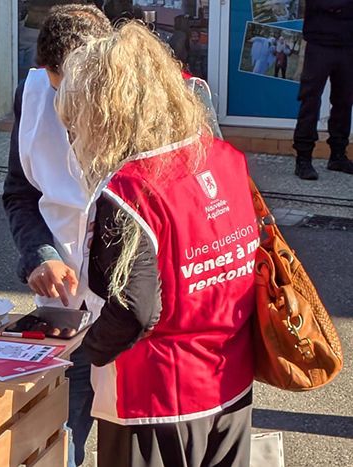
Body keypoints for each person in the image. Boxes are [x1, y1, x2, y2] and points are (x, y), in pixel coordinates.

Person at [56, 23, 258, 467]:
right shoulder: (226, 161)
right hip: (230, 383)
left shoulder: (129, 191)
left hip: (153, 399)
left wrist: (83, 355)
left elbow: (135, 308)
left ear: (104, 112)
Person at [2, 5, 113, 466]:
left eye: (75, 92)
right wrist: (40, 255)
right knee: (58, 441)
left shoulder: (155, 107)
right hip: (69, 313)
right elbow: (20, 196)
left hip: (139, 316)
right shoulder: (31, 96)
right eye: (55, 91)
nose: (64, 110)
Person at [292, 0, 353, 180]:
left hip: (348, 43)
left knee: (344, 101)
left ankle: (338, 156)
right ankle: (303, 159)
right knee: (310, 100)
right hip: (319, 42)